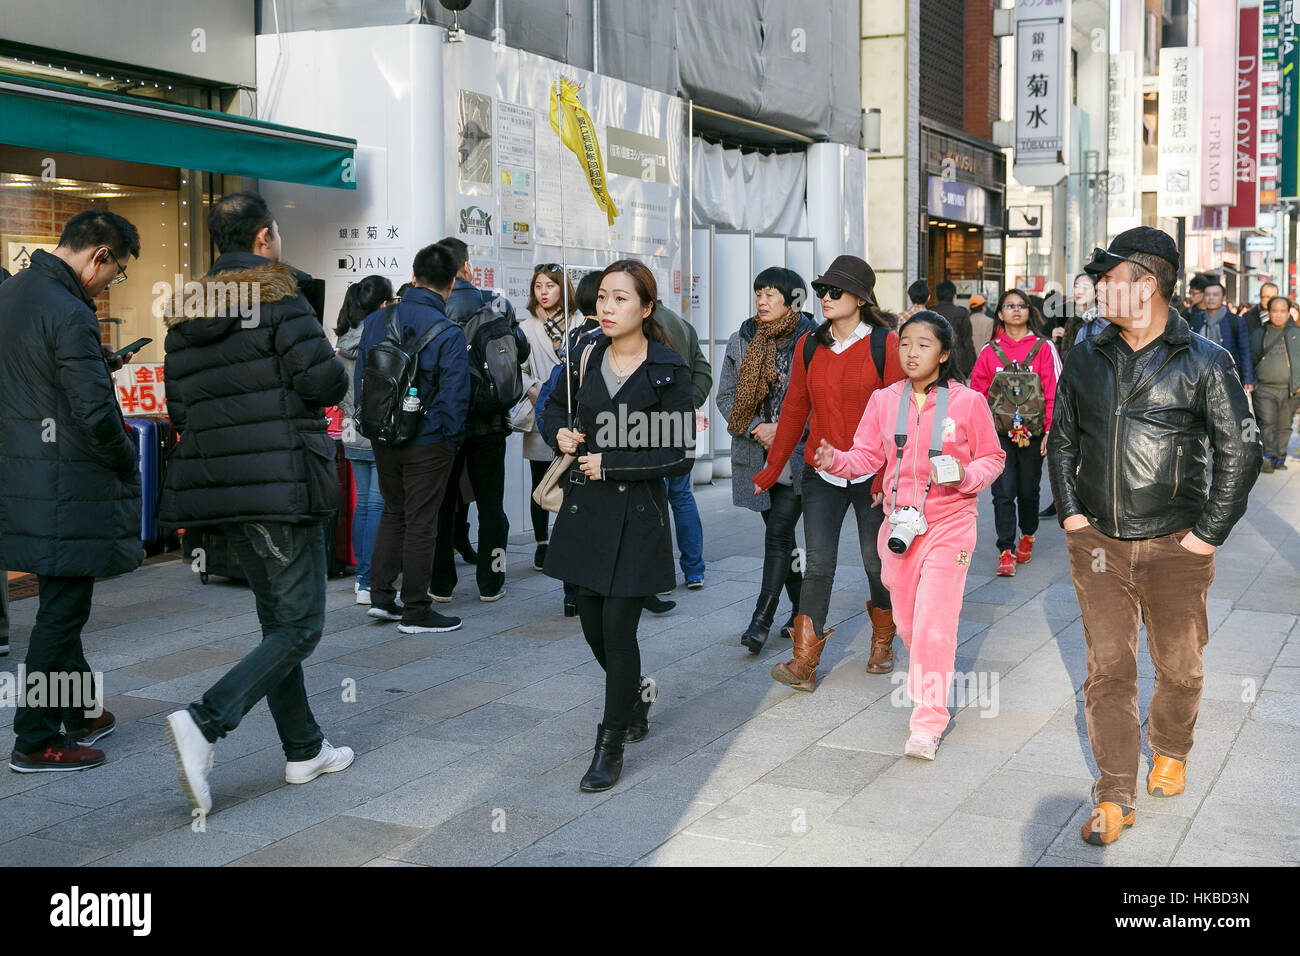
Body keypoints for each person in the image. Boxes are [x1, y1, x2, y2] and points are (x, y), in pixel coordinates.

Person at [1050, 227, 1260, 846]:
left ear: (1147, 285)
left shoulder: (1205, 361)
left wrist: (1206, 535)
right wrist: (1072, 516)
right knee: (1108, 669)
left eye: (1109, 279)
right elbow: (1062, 438)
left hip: (1177, 545)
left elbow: (1239, 454)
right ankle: (1115, 793)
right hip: (1100, 546)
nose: (1096, 290)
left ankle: (1171, 744)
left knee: (1180, 665)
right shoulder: (1086, 355)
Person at [157, 191, 352, 812]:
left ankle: (304, 748)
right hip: (282, 484)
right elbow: (324, 380)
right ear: (264, 237)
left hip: (221, 487)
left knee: (278, 623)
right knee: (301, 625)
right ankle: (205, 721)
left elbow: (180, 409)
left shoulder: (188, 315)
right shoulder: (278, 296)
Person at [815, 311, 1005, 759]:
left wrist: (965, 474)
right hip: (900, 526)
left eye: (922, 344)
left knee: (936, 625)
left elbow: (993, 458)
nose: (911, 352)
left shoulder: (967, 402)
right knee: (909, 624)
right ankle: (927, 678)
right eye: (905, 344)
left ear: (943, 353)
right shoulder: (883, 400)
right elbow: (864, 457)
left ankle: (927, 720)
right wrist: (832, 460)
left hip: (952, 523)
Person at [541, 260, 695, 792]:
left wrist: (614, 464)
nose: (607, 307)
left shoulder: (667, 369)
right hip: (586, 513)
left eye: (621, 299)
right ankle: (633, 698)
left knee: (617, 629)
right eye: (603, 297)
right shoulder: (585, 355)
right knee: (589, 625)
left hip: (637, 517)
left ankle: (610, 744)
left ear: (647, 308)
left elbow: (678, 455)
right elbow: (555, 410)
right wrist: (559, 432)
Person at [1, 211, 141, 772]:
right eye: (120, 272)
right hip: (66, 479)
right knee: (62, 610)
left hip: (23, 474)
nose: (113, 283)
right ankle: (34, 739)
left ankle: (78, 708)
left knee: (63, 598)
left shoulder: (12, 293)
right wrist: (127, 461)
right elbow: (93, 411)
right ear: (99, 256)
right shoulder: (70, 311)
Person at [753, 255, 905, 688]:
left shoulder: (885, 343)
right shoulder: (810, 345)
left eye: (835, 291)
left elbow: (898, 415)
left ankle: (882, 637)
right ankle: (804, 661)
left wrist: (885, 475)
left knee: (876, 564)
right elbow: (795, 409)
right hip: (821, 474)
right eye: (822, 290)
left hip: (871, 474)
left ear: (860, 298)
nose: (825, 298)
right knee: (818, 565)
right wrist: (773, 467)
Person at [356, 243, 471, 633]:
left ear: (413, 276)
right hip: (429, 439)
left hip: (383, 434)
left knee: (394, 511)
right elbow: (456, 397)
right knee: (422, 521)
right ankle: (417, 610)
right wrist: (449, 441)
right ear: (451, 283)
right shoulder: (449, 333)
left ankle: (382, 598)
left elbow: (363, 379)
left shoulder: (376, 321)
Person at [716, 267, 817, 653]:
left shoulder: (814, 340)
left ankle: (761, 619)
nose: (761, 301)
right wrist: (759, 425)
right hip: (754, 453)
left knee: (777, 534)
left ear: (793, 300)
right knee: (784, 538)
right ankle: (800, 608)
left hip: (796, 456)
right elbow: (726, 396)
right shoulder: (741, 340)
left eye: (771, 294)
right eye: (758, 293)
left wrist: (785, 430)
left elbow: (821, 400)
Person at [429, 236, 530, 604]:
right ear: (467, 267)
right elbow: (520, 349)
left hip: (444, 422)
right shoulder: (496, 303)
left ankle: (440, 583)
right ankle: (493, 580)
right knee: (491, 505)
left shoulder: (433, 306)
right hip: (490, 422)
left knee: (441, 505)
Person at [969, 288, 1060, 577]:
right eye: (1010, 305)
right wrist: (976, 435)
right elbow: (976, 396)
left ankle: (1028, 534)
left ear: (1028, 312)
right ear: (1000, 313)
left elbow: (1053, 392)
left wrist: (1050, 431)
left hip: (1032, 435)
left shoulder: (1044, 348)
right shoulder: (989, 351)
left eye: (1021, 305)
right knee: (1003, 493)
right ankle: (1005, 549)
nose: (1016, 310)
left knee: (1029, 491)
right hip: (999, 436)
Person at [335, 275, 395, 605]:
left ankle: (362, 579)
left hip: (350, 428)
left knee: (363, 506)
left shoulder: (343, 340)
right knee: (377, 504)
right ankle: (371, 579)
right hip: (376, 429)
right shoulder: (382, 337)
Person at [520, 264, 582, 571]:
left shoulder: (580, 321)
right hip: (541, 412)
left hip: (576, 412)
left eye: (550, 286)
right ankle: (542, 544)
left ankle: (568, 538)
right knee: (540, 479)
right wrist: (533, 391)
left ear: (563, 288)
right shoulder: (526, 327)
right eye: (538, 287)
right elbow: (515, 368)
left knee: (572, 478)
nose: (543, 292)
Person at [652, 299, 712, 590]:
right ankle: (693, 570)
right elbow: (704, 371)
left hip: (646, 425)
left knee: (653, 498)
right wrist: (688, 405)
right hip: (680, 423)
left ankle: (660, 571)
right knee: (682, 495)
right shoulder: (683, 324)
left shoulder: (644, 323)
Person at [1250, 295, 1300, 473]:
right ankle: (1269, 456)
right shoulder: (1258, 334)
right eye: (1274, 311)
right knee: (1268, 422)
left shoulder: (1297, 334)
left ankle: (1280, 457)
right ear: (1268, 312)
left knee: (1285, 424)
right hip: (1264, 388)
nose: (1278, 315)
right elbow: (1250, 359)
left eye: (1282, 311)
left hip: (1291, 390)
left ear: (1289, 313)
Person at [1192, 279, 1255, 394]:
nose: (1211, 298)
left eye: (1215, 295)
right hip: (1200, 377)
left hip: (1228, 376)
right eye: (1207, 295)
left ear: (1223, 298)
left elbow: (1245, 352)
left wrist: (1248, 379)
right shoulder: (1197, 320)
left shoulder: (1235, 321)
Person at [931, 280, 976, 382]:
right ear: (953, 295)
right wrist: (973, 363)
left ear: (937, 296)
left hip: (936, 358)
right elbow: (967, 341)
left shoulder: (931, 312)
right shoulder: (962, 313)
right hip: (959, 359)